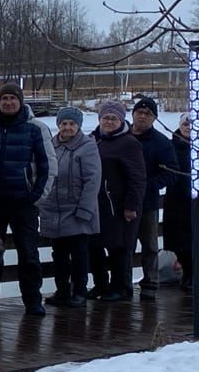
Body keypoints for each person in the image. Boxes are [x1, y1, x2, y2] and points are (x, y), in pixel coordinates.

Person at [0, 83, 50, 315]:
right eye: (4, 98)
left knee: (28, 254)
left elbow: (47, 166)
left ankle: (33, 301)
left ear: (20, 101)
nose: (8, 102)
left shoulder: (34, 129)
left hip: (23, 203)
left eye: (12, 99)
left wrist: (35, 196)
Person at [37, 107, 101, 308]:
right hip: (54, 210)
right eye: (64, 124)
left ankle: (79, 291)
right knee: (59, 254)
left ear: (78, 126)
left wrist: (84, 210)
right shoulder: (51, 145)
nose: (67, 127)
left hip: (77, 210)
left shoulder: (87, 146)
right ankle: (62, 291)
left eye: (72, 124)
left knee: (80, 253)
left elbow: (93, 180)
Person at [89, 100, 147, 302]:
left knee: (118, 247)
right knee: (94, 246)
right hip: (96, 204)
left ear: (122, 121)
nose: (109, 122)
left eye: (114, 118)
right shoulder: (93, 139)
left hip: (119, 205)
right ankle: (100, 284)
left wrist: (131, 206)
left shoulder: (129, 143)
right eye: (106, 117)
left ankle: (119, 287)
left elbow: (138, 178)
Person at [128, 96, 178, 301]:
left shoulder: (161, 142)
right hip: (121, 201)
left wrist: (147, 186)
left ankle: (150, 282)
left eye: (147, 114)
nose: (142, 116)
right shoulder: (120, 135)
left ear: (154, 118)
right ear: (132, 114)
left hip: (147, 203)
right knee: (123, 245)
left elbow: (171, 172)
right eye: (139, 112)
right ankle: (121, 283)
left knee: (149, 245)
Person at [162, 113, 193, 291]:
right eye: (185, 124)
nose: (188, 126)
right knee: (178, 241)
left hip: (194, 199)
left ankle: (192, 275)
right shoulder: (170, 145)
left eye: (192, 124)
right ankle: (187, 272)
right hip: (176, 198)